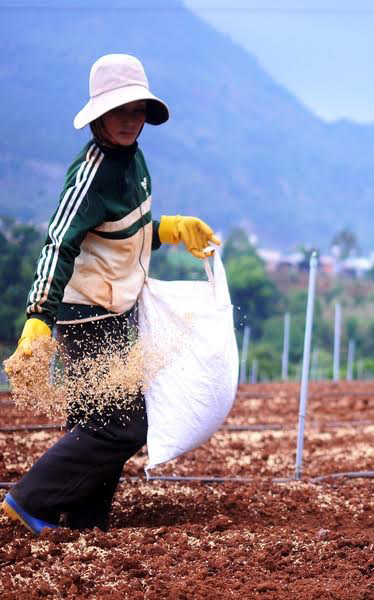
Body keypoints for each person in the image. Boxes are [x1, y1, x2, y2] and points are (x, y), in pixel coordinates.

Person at [1, 54, 220, 535]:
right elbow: (59, 241)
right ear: (98, 114)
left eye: (137, 110)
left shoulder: (134, 160)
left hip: (118, 312)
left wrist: (169, 229)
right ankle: (27, 501)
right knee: (120, 427)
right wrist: (39, 314)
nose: (128, 120)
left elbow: (126, 233)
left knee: (93, 425)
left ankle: (84, 522)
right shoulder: (92, 173)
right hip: (88, 317)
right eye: (120, 111)